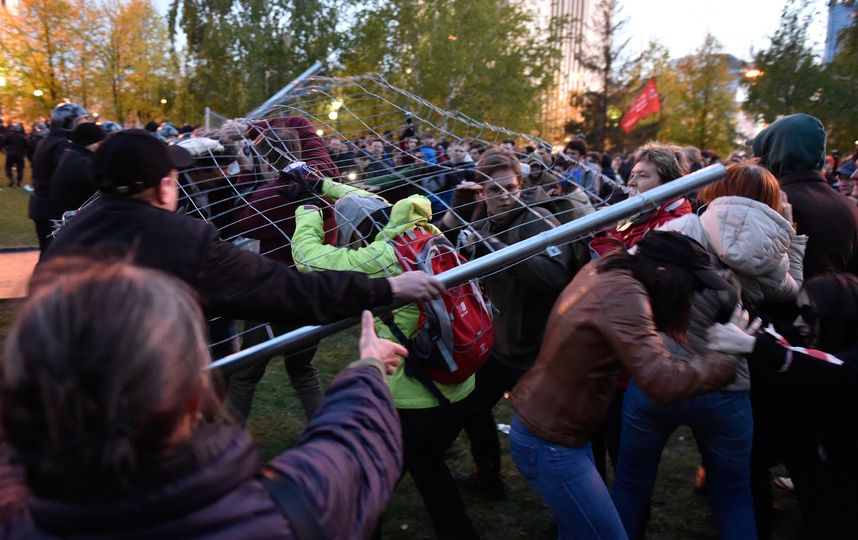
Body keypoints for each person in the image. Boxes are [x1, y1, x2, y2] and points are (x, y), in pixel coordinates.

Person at [0, 259, 405, 539]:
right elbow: (352, 448)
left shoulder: (12, 514)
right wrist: (367, 368)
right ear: (195, 395)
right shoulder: (287, 512)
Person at [38, 129, 444, 359]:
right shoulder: (183, 241)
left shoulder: (71, 233)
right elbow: (290, 290)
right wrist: (387, 288)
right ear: (164, 187)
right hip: (143, 408)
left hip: (57, 400)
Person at [610, 163, 807, 540]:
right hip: (728, 384)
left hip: (660, 374)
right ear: (771, 202)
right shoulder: (772, 255)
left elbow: (626, 280)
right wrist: (793, 236)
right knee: (733, 494)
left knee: (632, 484)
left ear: (714, 189)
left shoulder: (679, 229)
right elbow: (793, 289)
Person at [508, 231, 738, 539]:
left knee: (579, 533)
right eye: (690, 285)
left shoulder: (614, 268)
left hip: (555, 431)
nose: (692, 294)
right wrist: (724, 359)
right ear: (662, 271)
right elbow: (661, 382)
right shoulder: (624, 294)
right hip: (549, 441)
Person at [290, 179, 481, 539]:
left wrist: (308, 211)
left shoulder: (384, 256)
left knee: (368, 484)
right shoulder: (427, 233)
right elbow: (367, 201)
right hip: (458, 389)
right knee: (429, 468)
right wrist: (321, 184)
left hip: (409, 403)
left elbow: (309, 261)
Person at [455, 149, 583, 500]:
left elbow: (556, 276)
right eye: (493, 190)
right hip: (499, 346)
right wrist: (462, 212)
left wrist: (498, 249)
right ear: (482, 192)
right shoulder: (485, 223)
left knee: (550, 432)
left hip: (537, 352)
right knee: (471, 408)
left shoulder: (537, 219)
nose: (503, 196)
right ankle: (488, 478)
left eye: (509, 187)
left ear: (520, 183)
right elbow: (455, 251)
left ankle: (571, 504)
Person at [708, 274, 858, 539]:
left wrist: (751, 345)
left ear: (839, 313)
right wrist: (737, 300)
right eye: (798, 311)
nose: (799, 322)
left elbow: (834, 367)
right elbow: (778, 333)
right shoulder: (816, 334)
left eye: (809, 314)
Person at [750, 113, 858, 278]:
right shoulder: (849, 207)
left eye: (758, 156)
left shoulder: (769, 202)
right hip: (836, 302)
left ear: (772, 156)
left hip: (780, 302)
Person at [590, 143, 692, 257]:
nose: (631, 182)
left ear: (667, 183)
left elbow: (633, 267)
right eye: (632, 175)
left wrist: (611, 232)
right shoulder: (644, 211)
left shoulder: (670, 227)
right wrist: (614, 227)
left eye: (643, 175)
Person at [29, 102, 90, 255]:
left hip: (44, 206)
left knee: (50, 253)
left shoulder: (51, 141)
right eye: (81, 121)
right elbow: (71, 175)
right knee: (54, 255)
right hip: (51, 209)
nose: (85, 125)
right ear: (68, 123)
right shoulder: (61, 146)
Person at [47, 122, 106, 224]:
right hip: (71, 220)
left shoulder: (72, 155)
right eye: (99, 143)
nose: (101, 147)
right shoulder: (80, 163)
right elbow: (101, 189)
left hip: (67, 218)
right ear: (87, 142)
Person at [1, 123, 27, 187]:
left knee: (8, 167)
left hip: (11, 153)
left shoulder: (9, 135)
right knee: (20, 168)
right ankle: (19, 182)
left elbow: (2, 143)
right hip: (20, 154)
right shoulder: (23, 136)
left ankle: (11, 179)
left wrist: (4, 149)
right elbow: (27, 145)